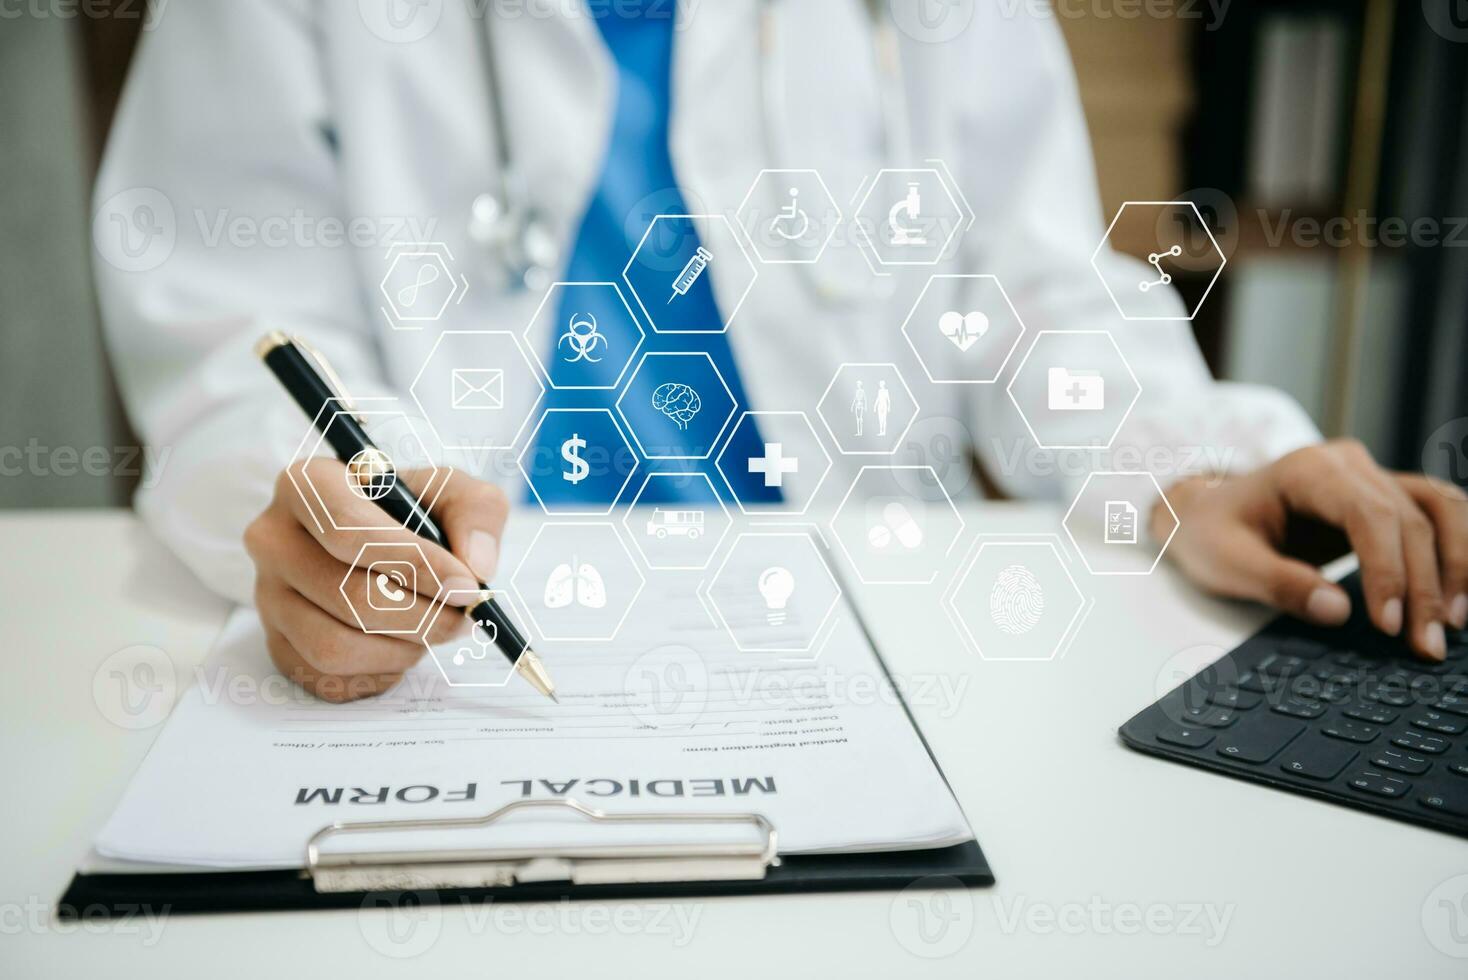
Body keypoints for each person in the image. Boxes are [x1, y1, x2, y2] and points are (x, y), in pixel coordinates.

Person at [94, 1, 1466, 702]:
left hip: (854, 656)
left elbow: (1022, 286)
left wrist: (1181, 457)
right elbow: (238, 334)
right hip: (464, 672)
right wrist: (334, 518)